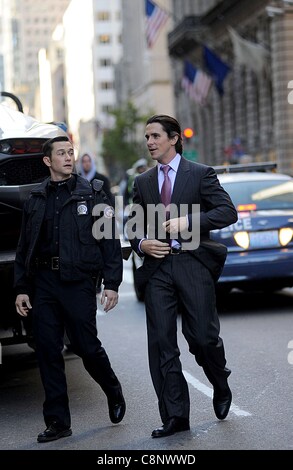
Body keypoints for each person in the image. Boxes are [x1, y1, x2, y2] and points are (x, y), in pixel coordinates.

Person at [127, 115, 238, 438]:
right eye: (146, 136)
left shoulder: (201, 174)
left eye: (155, 136)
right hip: (158, 268)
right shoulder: (143, 182)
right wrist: (141, 243)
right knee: (162, 344)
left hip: (192, 263)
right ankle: (176, 416)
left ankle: (219, 381)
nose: (149, 142)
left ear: (174, 139)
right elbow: (133, 225)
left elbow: (226, 212)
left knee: (202, 338)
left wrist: (188, 221)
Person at [14, 136, 125, 443]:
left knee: (86, 347)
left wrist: (112, 284)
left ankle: (112, 388)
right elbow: (25, 246)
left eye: (70, 152)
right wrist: (22, 287)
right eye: (61, 153)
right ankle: (58, 422)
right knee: (48, 351)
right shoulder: (36, 198)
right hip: (44, 283)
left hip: (78, 283)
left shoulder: (93, 194)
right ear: (47, 161)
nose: (68, 157)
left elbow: (110, 242)